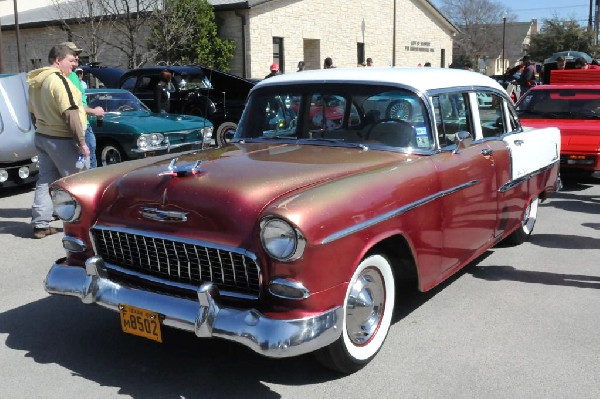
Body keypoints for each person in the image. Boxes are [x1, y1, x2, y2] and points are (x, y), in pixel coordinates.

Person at [27, 45, 89, 238]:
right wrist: (81, 142)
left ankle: (41, 225)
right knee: (78, 182)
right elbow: (70, 113)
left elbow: (31, 112)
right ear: (58, 60)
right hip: (61, 139)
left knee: (45, 180)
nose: (75, 64)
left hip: (42, 136)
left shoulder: (37, 82)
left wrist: (40, 129)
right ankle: (83, 225)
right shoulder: (59, 81)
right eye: (71, 60)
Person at [61, 42, 104, 169]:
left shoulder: (73, 75)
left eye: (78, 55)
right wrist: (95, 111)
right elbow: (73, 106)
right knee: (87, 164)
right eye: (74, 55)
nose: (77, 58)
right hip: (80, 126)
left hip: (84, 124)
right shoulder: (67, 77)